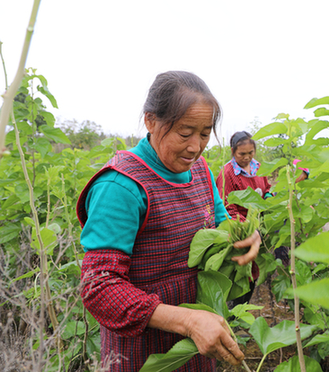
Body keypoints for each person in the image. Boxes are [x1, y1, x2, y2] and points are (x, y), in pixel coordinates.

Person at [77, 71, 261, 371]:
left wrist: (244, 238)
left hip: (198, 340)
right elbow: (98, 286)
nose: (195, 147)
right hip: (141, 345)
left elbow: (220, 223)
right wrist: (186, 320)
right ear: (150, 121)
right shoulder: (121, 186)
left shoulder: (200, 170)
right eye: (185, 133)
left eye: (204, 133)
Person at [216, 131, 272, 222]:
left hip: (261, 221)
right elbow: (227, 206)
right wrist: (247, 225)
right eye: (242, 154)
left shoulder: (258, 167)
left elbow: (267, 188)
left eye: (250, 153)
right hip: (242, 226)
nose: (247, 157)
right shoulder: (227, 173)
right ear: (233, 151)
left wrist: (268, 196)